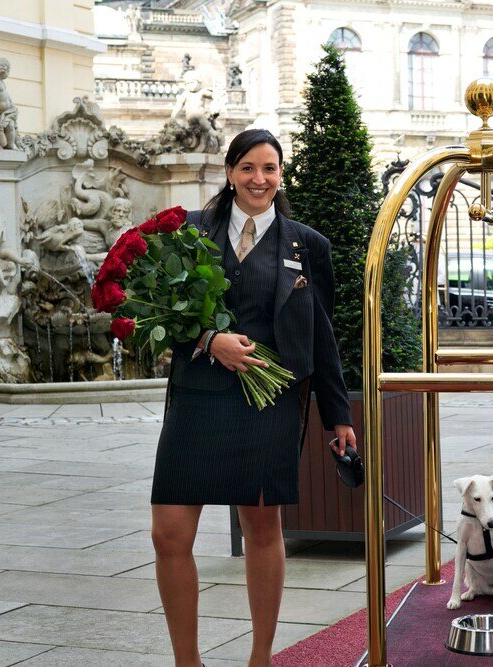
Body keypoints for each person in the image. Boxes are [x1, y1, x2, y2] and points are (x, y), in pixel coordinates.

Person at [150, 128, 356, 667]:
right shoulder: (191, 231)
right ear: (230, 172)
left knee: (261, 527)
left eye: (269, 169)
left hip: (269, 403)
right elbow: (163, 309)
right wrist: (207, 340)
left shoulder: (307, 245)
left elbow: (322, 333)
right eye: (248, 168)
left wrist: (338, 415)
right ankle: (186, 661)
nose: (258, 179)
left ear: (280, 175)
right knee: (168, 533)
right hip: (196, 398)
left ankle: (261, 657)